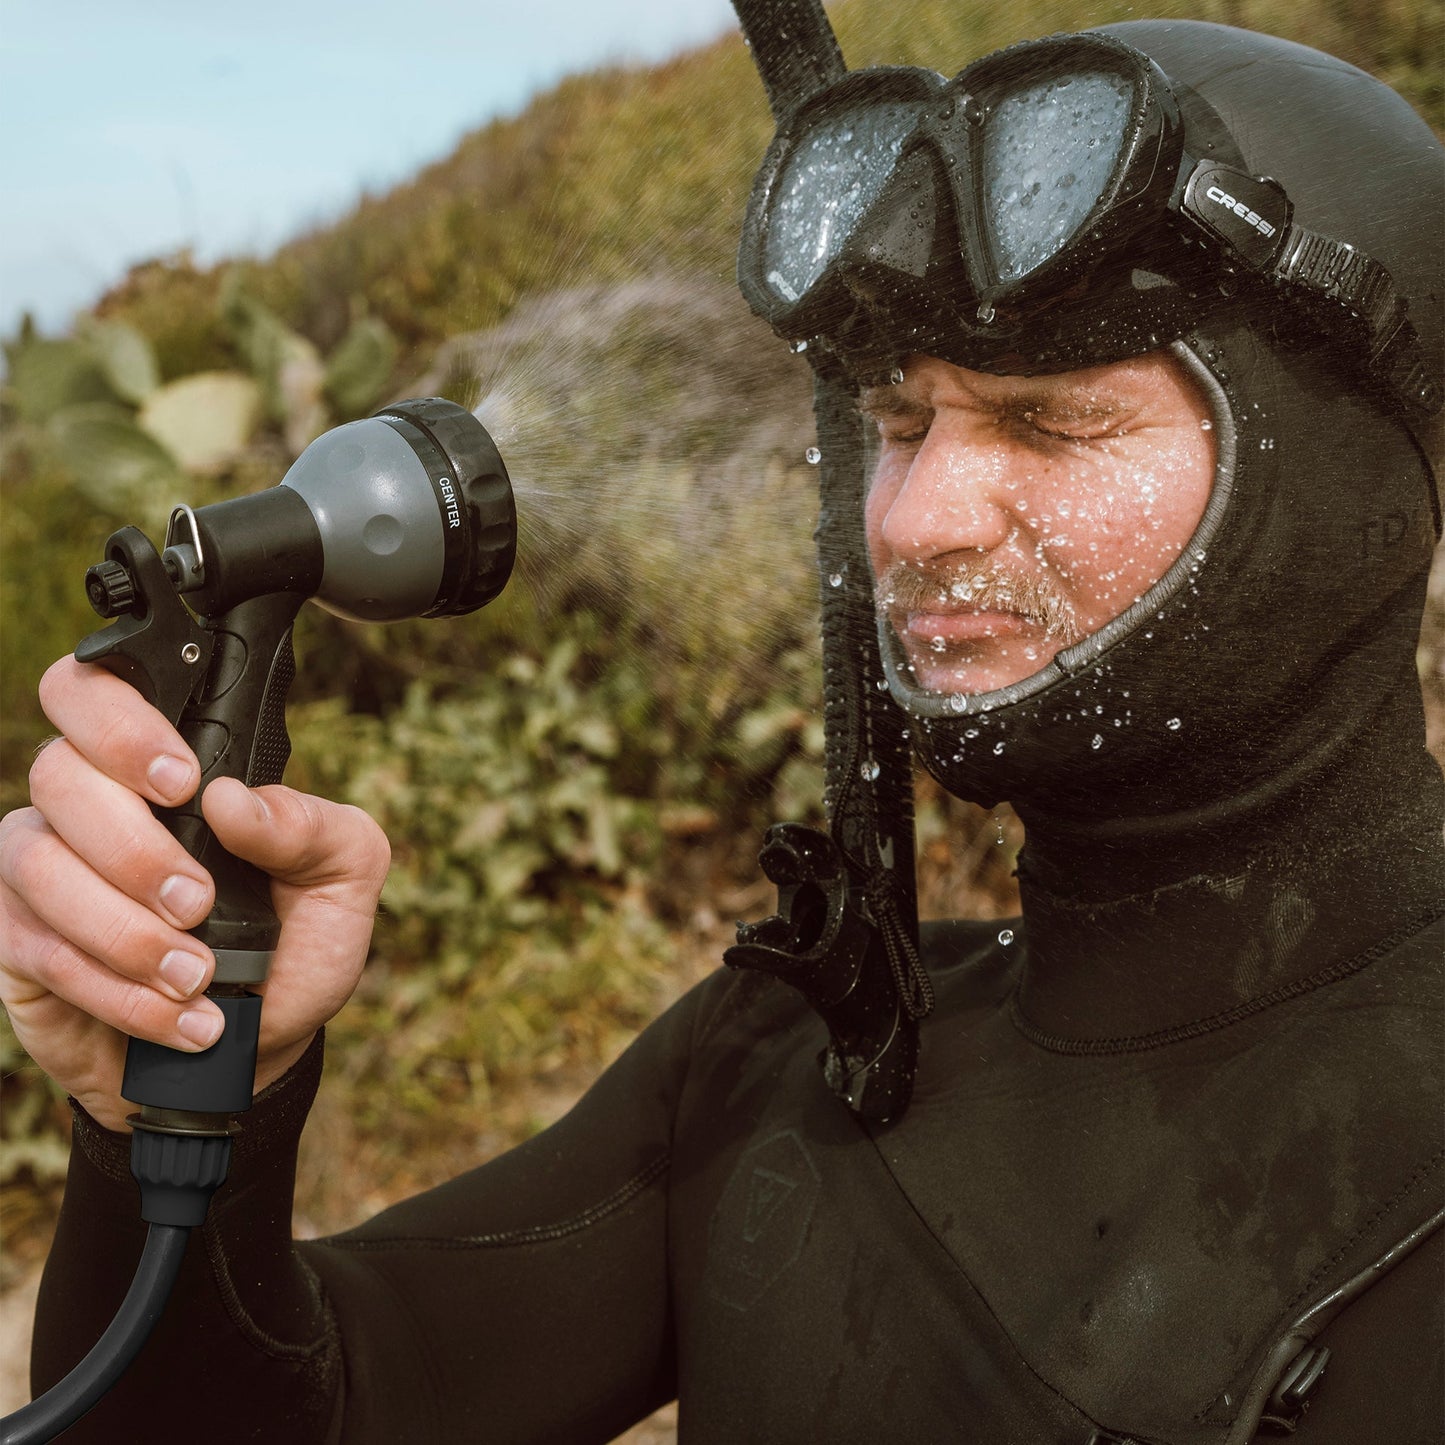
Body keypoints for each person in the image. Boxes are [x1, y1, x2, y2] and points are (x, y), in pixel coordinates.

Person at [2, 15, 1442, 1444]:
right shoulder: (791, 1062)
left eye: (1054, 424)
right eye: (896, 421)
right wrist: (184, 1116)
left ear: (1343, 466)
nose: (918, 520)